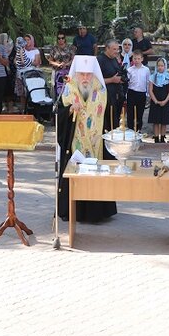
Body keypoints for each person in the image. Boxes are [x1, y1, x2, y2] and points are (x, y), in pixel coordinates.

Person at [56, 55, 116, 222]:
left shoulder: (102, 92)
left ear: (94, 74)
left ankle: (96, 213)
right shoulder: (68, 90)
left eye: (88, 74)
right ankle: (72, 210)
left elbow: (112, 116)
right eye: (81, 74)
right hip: (74, 141)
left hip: (96, 141)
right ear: (76, 73)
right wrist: (68, 110)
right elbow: (58, 114)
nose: (84, 78)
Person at [97, 39, 124, 153]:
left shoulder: (114, 59)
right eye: (114, 49)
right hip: (105, 97)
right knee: (108, 123)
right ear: (107, 48)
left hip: (117, 95)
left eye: (117, 49)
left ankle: (115, 148)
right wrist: (112, 80)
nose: (116, 51)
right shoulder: (100, 60)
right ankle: (107, 149)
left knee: (115, 122)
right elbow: (96, 80)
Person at [148, 57, 169, 143]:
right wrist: (155, 101)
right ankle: (156, 137)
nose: (160, 67)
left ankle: (162, 137)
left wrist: (165, 101)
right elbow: (150, 90)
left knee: (163, 121)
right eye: (158, 66)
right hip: (155, 101)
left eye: (162, 66)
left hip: (165, 101)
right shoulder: (152, 77)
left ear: (165, 66)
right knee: (156, 120)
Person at [126, 50, 150, 131]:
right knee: (130, 114)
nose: (136, 60)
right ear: (132, 59)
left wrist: (148, 94)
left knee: (140, 113)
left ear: (142, 59)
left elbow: (147, 82)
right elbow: (127, 82)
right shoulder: (130, 70)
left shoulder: (146, 70)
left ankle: (138, 130)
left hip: (141, 93)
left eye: (138, 58)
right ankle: (130, 130)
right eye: (135, 58)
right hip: (131, 92)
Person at [48, 32, 75, 98]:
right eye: (59, 38)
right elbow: (50, 61)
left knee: (68, 87)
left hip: (68, 71)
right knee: (56, 87)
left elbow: (73, 59)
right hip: (57, 70)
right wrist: (58, 64)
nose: (61, 40)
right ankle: (57, 101)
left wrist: (67, 64)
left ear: (65, 39)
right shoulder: (54, 48)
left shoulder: (70, 48)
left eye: (62, 38)